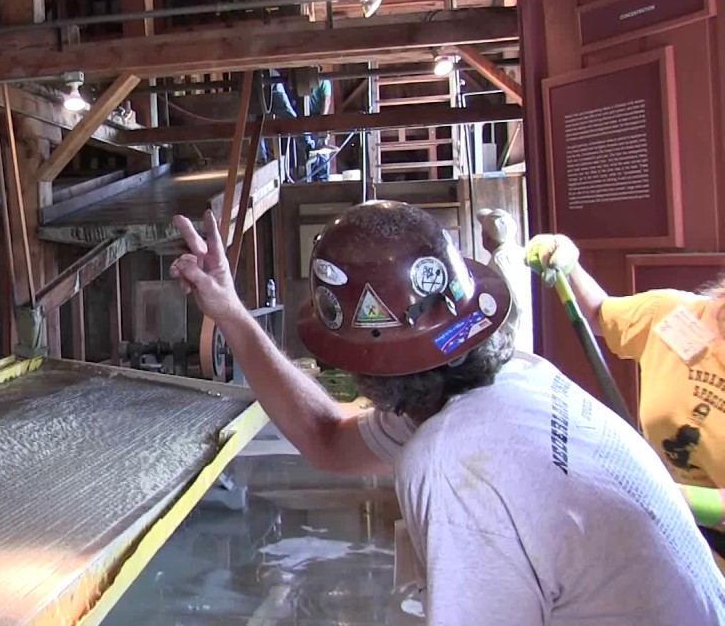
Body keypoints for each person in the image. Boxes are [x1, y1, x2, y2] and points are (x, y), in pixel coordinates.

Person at [169, 201, 725, 624]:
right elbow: (330, 437)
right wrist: (229, 310)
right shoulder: (517, 378)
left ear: (354, 363)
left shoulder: (452, 464)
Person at [526, 232, 725, 570]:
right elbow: (599, 314)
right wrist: (568, 263)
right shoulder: (672, 315)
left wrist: (664, 495)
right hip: (670, 547)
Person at [476, 207, 534, 354]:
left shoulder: (499, 260)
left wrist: (507, 337)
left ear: (486, 237)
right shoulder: (521, 253)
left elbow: (515, 304)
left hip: (513, 340)